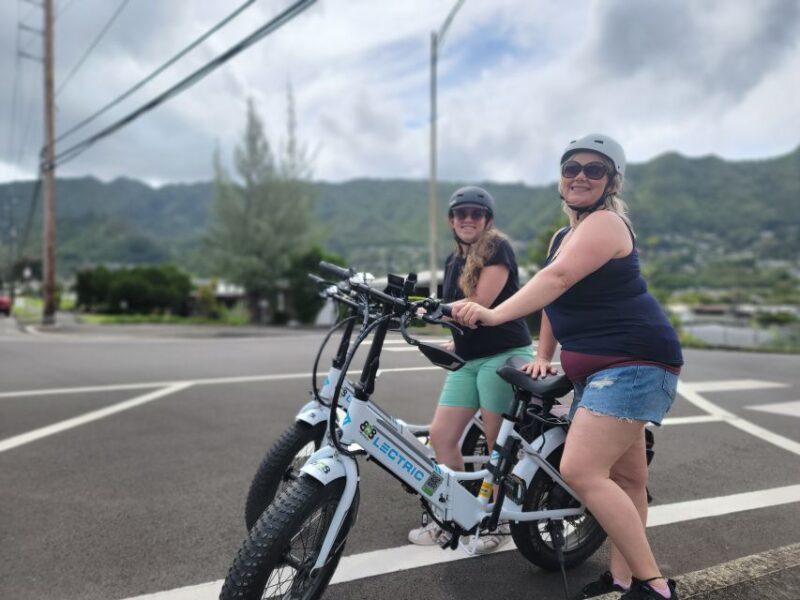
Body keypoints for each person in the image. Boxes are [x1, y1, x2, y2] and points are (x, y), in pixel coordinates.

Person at [451, 135, 683, 599]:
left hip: (633, 362)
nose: (580, 175)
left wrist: (495, 313)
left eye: (594, 170)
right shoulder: (564, 236)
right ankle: (622, 579)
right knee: (627, 479)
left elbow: (556, 278)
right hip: (602, 371)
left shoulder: (606, 224)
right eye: (571, 166)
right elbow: (555, 298)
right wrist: (542, 353)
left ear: (611, 181)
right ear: (561, 177)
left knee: (580, 470)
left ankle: (653, 587)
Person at [407, 185, 533, 554]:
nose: (467, 219)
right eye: (460, 214)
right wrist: (453, 338)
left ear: (487, 221)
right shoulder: (452, 261)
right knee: (442, 436)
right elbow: (457, 313)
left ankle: (500, 519)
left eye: (475, 214)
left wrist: (432, 308)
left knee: (498, 446)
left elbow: (479, 304)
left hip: (504, 353)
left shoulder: (497, 248)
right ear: (451, 220)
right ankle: (456, 514)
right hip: (469, 359)